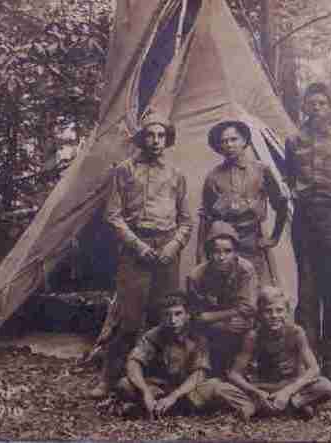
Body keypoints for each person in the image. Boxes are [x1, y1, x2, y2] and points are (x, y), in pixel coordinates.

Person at [89, 113, 193, 398]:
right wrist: (138, 246)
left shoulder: (176, 174)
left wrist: (173, 246)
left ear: (167, 140)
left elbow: (186, 220)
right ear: (142, 138)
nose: (156, 141)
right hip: (136, 248)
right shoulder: (124, 171)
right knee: (129, 318)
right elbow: (113, 215)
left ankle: (160, 377)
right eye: (150, 135)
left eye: (161, 136)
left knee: (166, 316)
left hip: (167, 250)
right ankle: (109, 379)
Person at [284, 82, 331, 378]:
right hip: (305, 218)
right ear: (304, 107)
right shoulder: (293, 140)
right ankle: (308, 359)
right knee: (307, 292)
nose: (316, 109)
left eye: (322, 104)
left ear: (330, 107)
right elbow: (290, 176)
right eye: (311, 104)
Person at [117, 291, 256, 420]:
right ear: (161, 316)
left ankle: (252, 406)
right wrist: (145, 392)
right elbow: (133, 363)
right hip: (159, 388)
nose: (172, 320)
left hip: (188, 389)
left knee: (216, 386)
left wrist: (174, 396)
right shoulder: (153, 335)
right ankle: (165, 408)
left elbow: (199, 373)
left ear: (187, 315)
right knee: (124, 384)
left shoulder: (197, 337)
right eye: (167, 315)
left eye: (178, 314)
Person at [199, 120, 288, 285]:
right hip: (223, 247)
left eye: (234, 139)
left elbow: (281, 203)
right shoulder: (213, 177)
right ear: (219, 147)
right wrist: (202, 255)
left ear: (244, 141)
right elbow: (206, 218)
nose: (229, 145)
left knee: (257, 292)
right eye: (224, 141)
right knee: (228, 293)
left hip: (253, 242)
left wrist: (274, 237)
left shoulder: (261, 170)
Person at [226, 286, 331, 420]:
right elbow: (234, 373)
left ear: (287, 312)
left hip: (290, 385)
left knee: (326, 387)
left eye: (279, 310)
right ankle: (293, 407)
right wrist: (255, 392)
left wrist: (287, 392)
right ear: (259, 314)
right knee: (220, 388)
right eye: (268, 311)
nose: (274, 316)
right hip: (263, 387)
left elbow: (314, 369)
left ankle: (259, 408)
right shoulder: (253, 337)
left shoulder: (296, 332)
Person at [187, 221, 258, 378]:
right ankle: (202, 373)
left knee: (251, 332)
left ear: (236, 253)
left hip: (237, 324)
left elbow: (249, 308)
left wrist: (213, 317)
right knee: (198, 337)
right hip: (210, 329)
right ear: (208, 253)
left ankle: (241, 373)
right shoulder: (196, 276)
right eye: (216, 252)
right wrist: (227, 318)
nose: (221, 257)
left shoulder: (245, 270)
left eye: (228, 251)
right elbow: (196, 316)